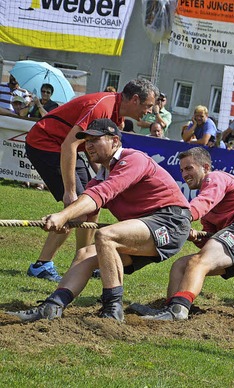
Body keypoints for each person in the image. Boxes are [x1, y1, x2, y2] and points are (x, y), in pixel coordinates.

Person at [7, 119, 191, 322]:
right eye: (86, 141)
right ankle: (52, 306)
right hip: (144, 228)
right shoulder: (102, 175)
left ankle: (112, 310)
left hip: (170, 223)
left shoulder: (133, 160)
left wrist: (63, 215)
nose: (89, 145)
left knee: (106, 235)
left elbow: (102, 193)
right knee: (85, 253)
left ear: (114, 141)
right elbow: (88, 202)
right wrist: (68, 220)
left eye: (95, 139)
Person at [24, 78, 158, 282]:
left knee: (92, 205)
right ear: (135, 99)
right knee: (78, 207)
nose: (149, 111)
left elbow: (92, 149)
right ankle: (41, 265)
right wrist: (70, 192)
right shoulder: (102, 107)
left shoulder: (117, 117)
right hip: (46, 144)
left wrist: (100, 178)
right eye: (148, 106)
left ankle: (83, 261)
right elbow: (69, 145)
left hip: (66, 147)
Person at [142, 147, 234, 321]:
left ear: (205, 167)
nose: (184, 174)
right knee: (182, 265)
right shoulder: (210, 207)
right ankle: (169, 308)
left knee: (198, 262)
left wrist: (181, 218)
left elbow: (205, 201)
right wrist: (197, 237)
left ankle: (178, 310)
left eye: (189, 168)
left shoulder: (215, 178)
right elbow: (210, 239)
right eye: (182, 170)